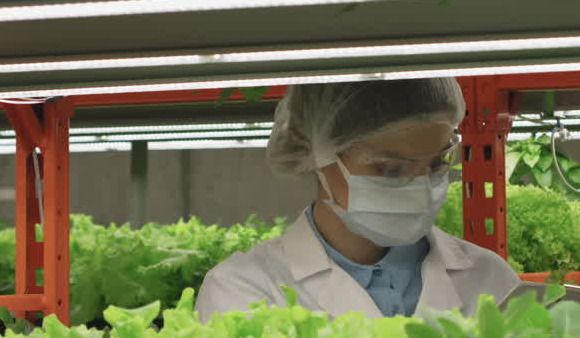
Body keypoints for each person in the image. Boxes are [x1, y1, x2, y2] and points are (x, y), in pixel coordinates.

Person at [195, 78, 520, 322]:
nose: (422, 187)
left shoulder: (490, 278)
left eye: (436, 165)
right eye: (390, 169)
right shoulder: (244, 289)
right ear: (318, 156)